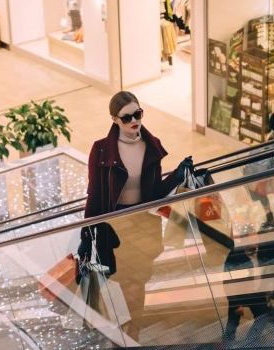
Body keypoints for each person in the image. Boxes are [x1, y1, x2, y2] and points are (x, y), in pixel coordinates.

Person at [80, 90, 193, 337]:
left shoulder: (150, 147)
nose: (134, 121)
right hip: (115, 226)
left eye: (138, 114)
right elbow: (95, 195)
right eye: (126, 117)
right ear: (114, 119)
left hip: (142, 224)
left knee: (137, 283)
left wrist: (177, 175)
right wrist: (86, 234)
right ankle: (126, 329)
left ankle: (134, 331)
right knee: (124, 281)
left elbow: (154, 194)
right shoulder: (101, 151)